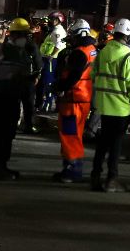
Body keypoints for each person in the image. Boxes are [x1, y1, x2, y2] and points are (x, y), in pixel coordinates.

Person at [89, 17, 130, 192]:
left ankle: (95, 177)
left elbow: (93, 75)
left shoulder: (103, 52)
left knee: (102, 144)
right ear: (128, 35)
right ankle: (112, 180)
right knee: (115, 145)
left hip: (103, 106)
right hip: (121, 109)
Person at [0, 17, 42, 180]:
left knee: (9, 132)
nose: (26, 38)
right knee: (1, 133)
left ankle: (3, 165)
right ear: (15, 36)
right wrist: (7, 75)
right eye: (23, 35)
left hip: (14, 96)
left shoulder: (25, 52)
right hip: (1, 95)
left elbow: (36, 67)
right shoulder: (1, 50)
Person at [50, 18, 98, 183]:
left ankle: (72, 169)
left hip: (73, 99)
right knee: (75, 134)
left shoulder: (79, 53)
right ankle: (71, 167)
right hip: (83, 98)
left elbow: (73, 76)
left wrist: (58, 86)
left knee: (70, 134)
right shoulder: (92, 50)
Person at [37, 12, 67, 113]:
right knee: (44, 81)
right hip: (48, 58)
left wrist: (51, 55)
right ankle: (43, 104)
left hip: (51, 59)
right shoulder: (54, 30)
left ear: (58, 20)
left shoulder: (58, 30)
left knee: (48, 82)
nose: (50, 21)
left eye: (53, 19)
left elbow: (59, 44)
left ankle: (48, 105)